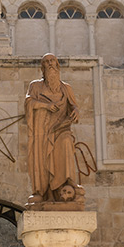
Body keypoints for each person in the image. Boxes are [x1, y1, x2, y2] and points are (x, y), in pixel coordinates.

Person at [25, 54, 81, 204]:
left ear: (57, 65)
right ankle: (43, 192)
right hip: (42, 131)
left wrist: (75, 111)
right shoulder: (35, 86)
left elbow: (73, 106)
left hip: (61, 129)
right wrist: (46, 106)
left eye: (52, 61)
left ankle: (68, 184)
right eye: (46, 62)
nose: (50, 64)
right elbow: (29, 103)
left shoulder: (66, 88)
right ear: (42, 68)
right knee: (42, 158)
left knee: (66, 142)